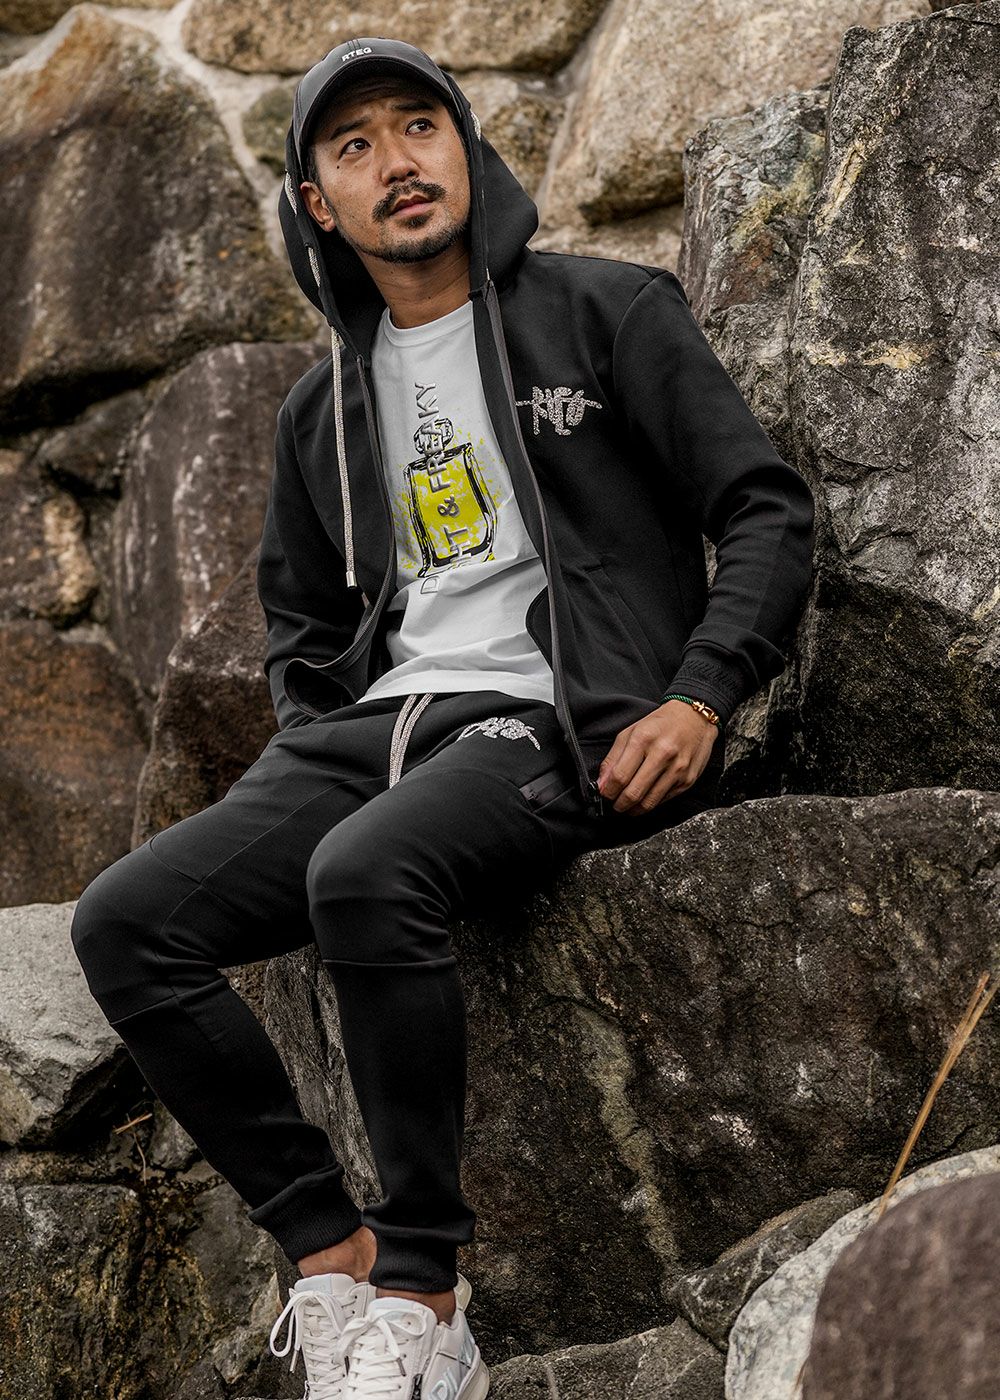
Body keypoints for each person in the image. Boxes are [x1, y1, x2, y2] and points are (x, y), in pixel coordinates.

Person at [70, 34, 816, 1400]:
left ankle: (426, 1294)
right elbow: (301, 623)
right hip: (379, 725)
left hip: (557, 715)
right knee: (125, 924)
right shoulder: (320, 410)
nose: (397, 162)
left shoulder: (607, 312)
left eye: (419, 126)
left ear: (466, 146)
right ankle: (333, 1252)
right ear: (319, 203)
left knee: (365, 873)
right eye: (354, 147)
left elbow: (763, 509)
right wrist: (312, 734)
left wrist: (700, 694)